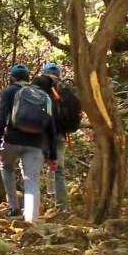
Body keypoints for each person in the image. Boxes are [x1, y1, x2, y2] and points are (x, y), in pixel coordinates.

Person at [0, 62, 58, 223]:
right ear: (29, 78)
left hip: (12, 141)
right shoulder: (44, 96)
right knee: (31, 179)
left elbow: (0, 121)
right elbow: (51, 128)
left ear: (12, 78)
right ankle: (31, 219)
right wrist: (52, 156)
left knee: (6, 167)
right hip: (35, 144)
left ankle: (13, 208)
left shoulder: (9, 92)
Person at [38, 61, 84, 215]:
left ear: (44, 73)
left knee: (34, 170)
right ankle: (62, 207)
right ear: (58, 74)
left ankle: (35, 206)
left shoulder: (40, 87)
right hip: (59, 134)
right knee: (59, 171)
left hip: (41, 134)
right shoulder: (66, 90)